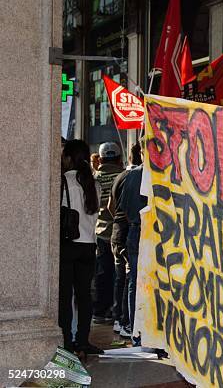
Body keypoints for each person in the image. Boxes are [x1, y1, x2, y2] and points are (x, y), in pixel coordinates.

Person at [59, 140, 102, 354]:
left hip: (68, 245)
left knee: (65, 296)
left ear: (68, 157)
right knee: (84, 295)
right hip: (89, 245)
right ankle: (83, 340)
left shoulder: (63, 181)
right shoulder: (94, 184)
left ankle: (66, 341)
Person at [108, 142, 142, 338]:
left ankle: (120, 319)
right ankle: (125, 320)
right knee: (128, 276)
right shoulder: (134, 177)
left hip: (118, 230)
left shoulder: (122, 177)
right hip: (127, 230)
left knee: (122, 275)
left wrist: (120, 219)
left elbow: (111, 205)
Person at [92, 142, 124, 324]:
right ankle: (118, 311)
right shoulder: (122, 176)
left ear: (101, 158)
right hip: (119, 231)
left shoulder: (94, 178)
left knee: (102, 273)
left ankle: (100, 311)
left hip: (100, 232)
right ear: (119, 158)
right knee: (121, 274)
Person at [119, 141, 147, 341]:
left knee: (135, 281)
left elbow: (122, 207)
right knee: (138, 281)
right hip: (143, 231)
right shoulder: (140, 175)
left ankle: (136, 330)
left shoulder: (132, 176)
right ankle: (139, 331)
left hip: (136, 230)